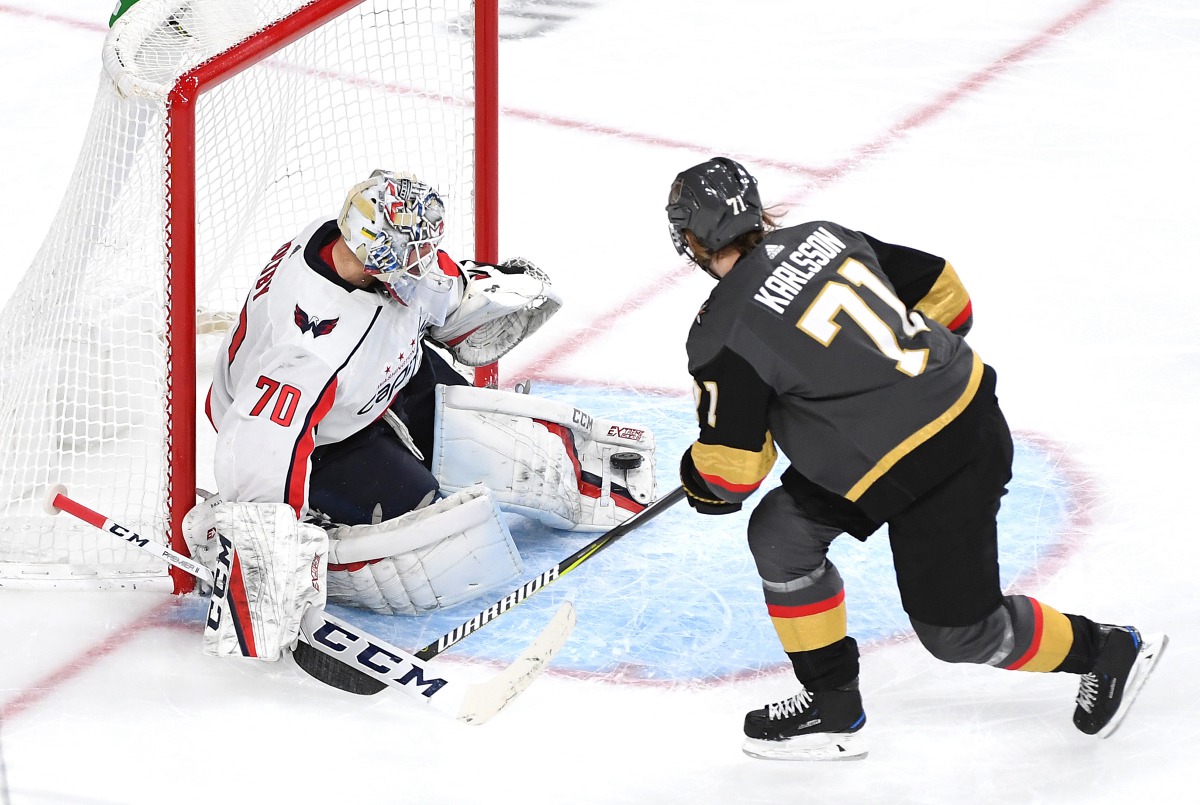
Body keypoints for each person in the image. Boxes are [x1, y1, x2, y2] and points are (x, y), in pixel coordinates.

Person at [665, 157, 1167, 761]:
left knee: (959, 631)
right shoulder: (824, 237)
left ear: (690, 239)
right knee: (782, 533)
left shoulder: (720, 331)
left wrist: (697, 480)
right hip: (963, 420)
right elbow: (948, 297)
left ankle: (1105, 648)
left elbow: (731, 474)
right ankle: (831, 705)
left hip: (925, 466)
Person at [185, 169, 657, 665]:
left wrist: (476, 297)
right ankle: (233, 532)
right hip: (325, 443)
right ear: (377, 252)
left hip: (390, 376)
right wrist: (262, 545)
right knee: (433, 542)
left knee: (489, 434)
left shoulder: (356, 249)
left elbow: (435, 286)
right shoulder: (308, 349)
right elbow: (261, 444)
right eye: (412, 253)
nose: (423, 262)